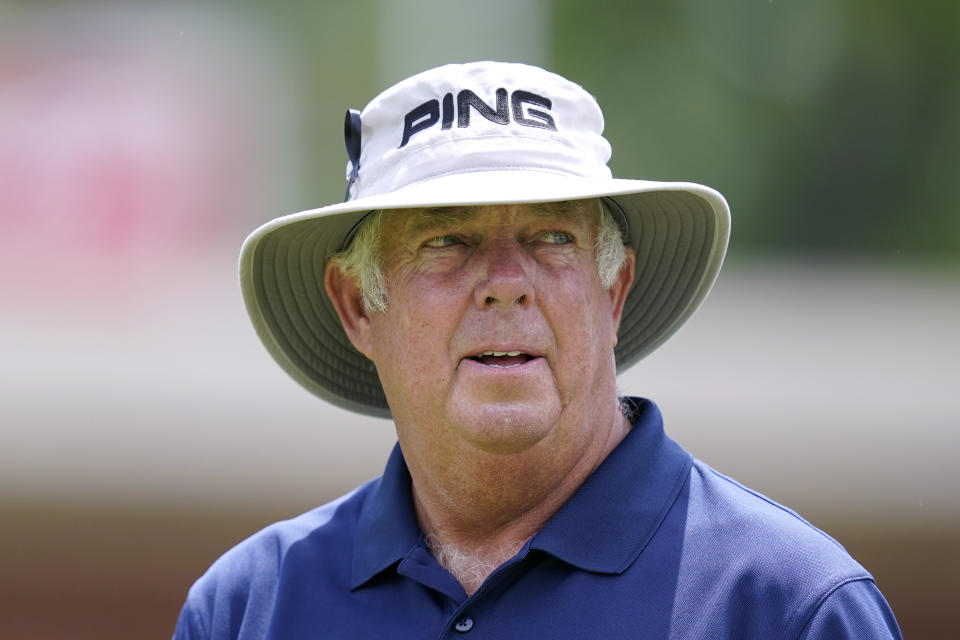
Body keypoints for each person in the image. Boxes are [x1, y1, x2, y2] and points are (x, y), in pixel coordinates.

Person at [173, 61, 901, 639]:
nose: (506, 285)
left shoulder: (789, 610)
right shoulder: (248, 612)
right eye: (447, 241)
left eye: (552, 238)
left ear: (613, 291)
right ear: (359, 305)